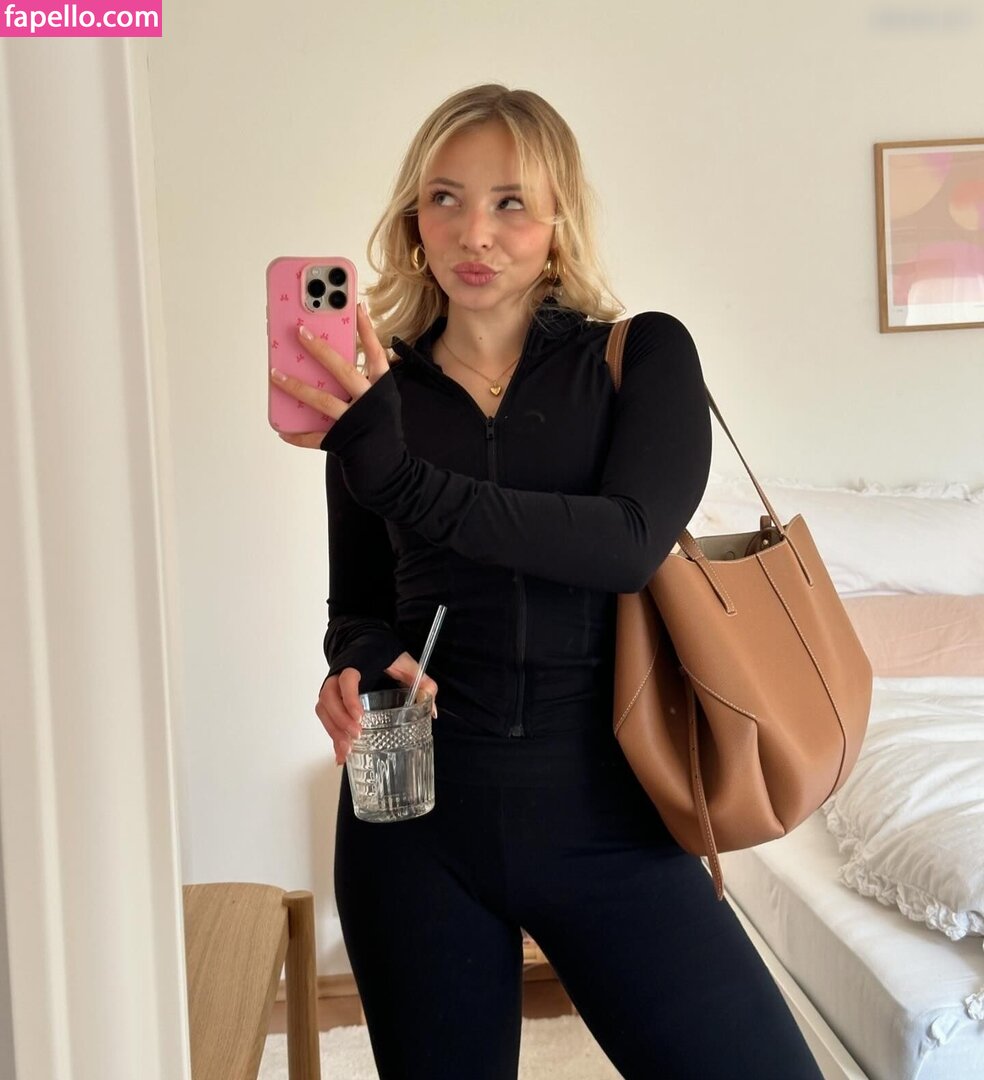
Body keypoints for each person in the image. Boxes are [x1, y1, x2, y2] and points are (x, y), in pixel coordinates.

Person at [270, 84, 822, 1080]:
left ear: (559, 219)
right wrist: (357, 666)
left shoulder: (641, 355)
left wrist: (401, 477)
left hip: (609, 816)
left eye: (511, 202)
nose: (474, 232)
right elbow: (357, 606)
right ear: (413, 218)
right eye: (445, 198)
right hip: (415, 830)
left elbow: (627, 543)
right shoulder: (377, 398)